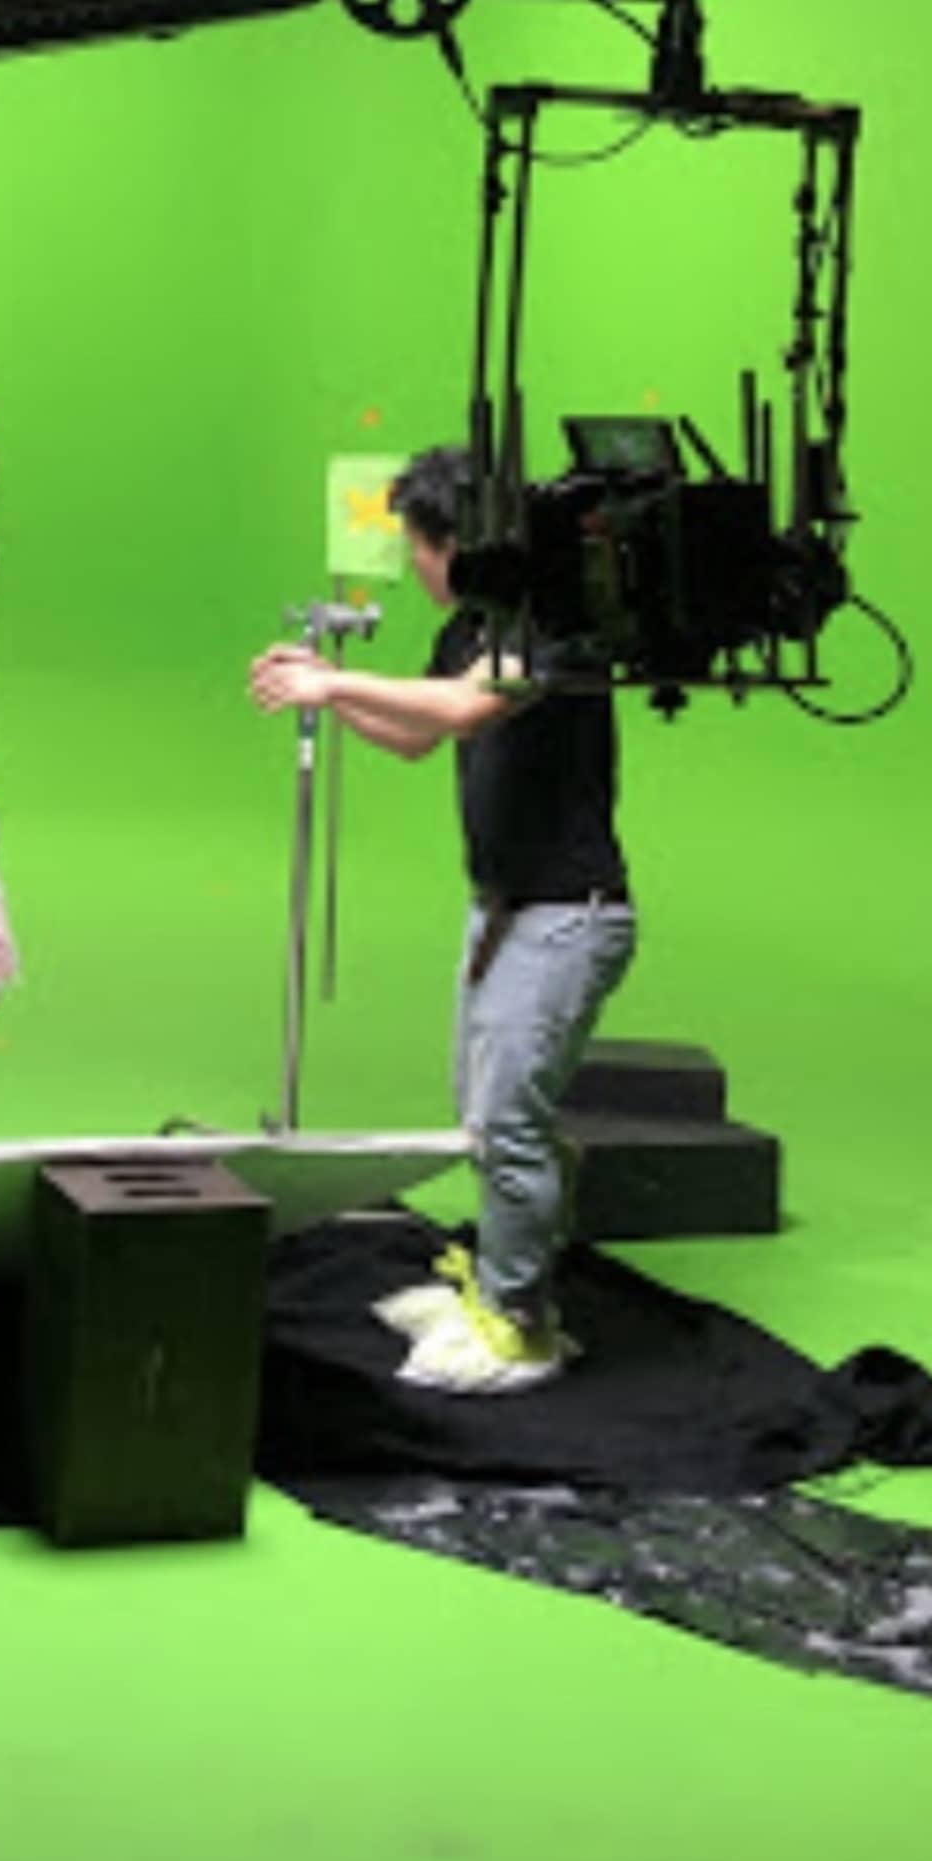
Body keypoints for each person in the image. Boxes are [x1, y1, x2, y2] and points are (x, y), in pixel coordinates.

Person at [247, 444, 633, 1396]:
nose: (411, 566)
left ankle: (518, 1326)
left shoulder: (553, 625)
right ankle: (506, 1277)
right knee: (487, 1116)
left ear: (450, 544)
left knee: (506, 1123)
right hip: (503, 910)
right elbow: (418, 735)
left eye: (416, 546)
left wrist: (334, 685)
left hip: (568, 916)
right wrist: (326, 686)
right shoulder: (473, 626)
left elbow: (464, 711)